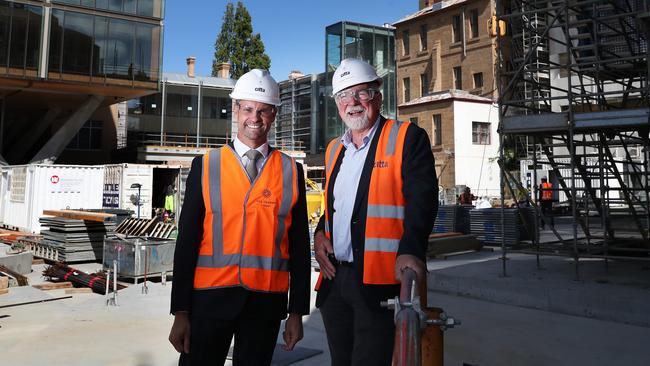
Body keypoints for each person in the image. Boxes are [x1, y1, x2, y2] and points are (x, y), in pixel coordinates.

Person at [168, 69, 311, 366]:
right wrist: (180, 311)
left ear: (274, 115)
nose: (254, 117)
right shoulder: (206, 166)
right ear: (235, 110)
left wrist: (296, 312)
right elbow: (187, 242)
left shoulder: (291, 172)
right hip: (208, 300)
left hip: (266, 304)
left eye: (263, 110)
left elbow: (298, 248)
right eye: (247, 108)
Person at [313, 58, 438, 365]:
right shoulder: (334, 150)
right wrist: (318, 235)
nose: (353, 103)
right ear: (337, 104)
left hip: (379, 283)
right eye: (344, 96)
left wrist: (412, 250)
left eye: (361, 94)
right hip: (336, 283)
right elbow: (334, 207)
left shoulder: (406, 137)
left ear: (378, 96)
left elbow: (422, 201)